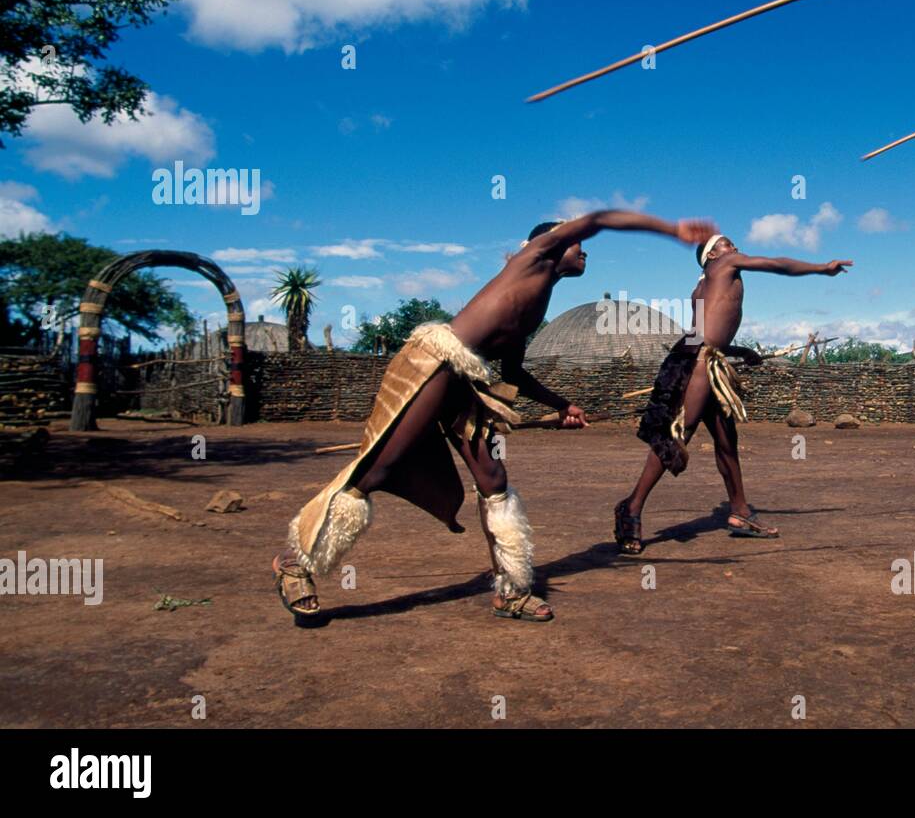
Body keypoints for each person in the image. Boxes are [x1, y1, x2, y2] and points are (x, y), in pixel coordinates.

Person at [273, 210, 717, 623]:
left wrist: (561, 406)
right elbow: (599, 218)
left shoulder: (538, 303)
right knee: (381, 468)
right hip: (435, 364)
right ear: (549, 243)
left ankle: (511, 590)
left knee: (494, 481)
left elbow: (514, 374)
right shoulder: (533, 259)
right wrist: (670, 230)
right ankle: (295, 562)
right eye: (576, 243)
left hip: (462, 384)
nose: (584, 250)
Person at [614, 234, 852, 554]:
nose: (735, 248)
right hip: (700, 362)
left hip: (705, 358)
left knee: (727, 442)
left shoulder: (702, 287)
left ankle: (740, 512)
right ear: (712, 254)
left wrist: (741, 350)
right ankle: (631, 508)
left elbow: (707, 331)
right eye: (727, 244)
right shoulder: (726, 265)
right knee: (678, 435)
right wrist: (822, 268)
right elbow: (775, 264)